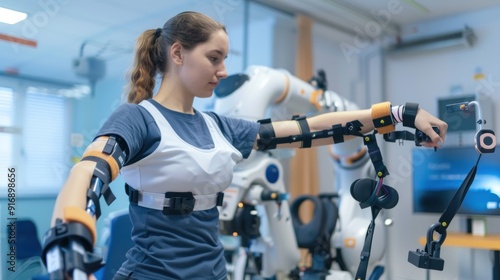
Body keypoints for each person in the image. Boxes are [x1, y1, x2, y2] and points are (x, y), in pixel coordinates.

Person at [46, 11, 448, 280]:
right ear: (178, 53)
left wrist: (398, 113)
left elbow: (312, 128)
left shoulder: (219, 126)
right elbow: (89, 171)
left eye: (225, 59)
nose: (223, 71)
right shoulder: (137, 118)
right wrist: (69, 234)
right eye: (214, 58)